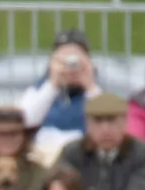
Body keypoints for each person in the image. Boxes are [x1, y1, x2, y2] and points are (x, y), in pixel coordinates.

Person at [18, 29, 98, 158]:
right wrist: (53, 84)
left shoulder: (95, 92)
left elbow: (107, 119)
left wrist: (89, 85)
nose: (70, 66)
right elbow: (25, 121)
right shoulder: (38, 91)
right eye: (64, 59)